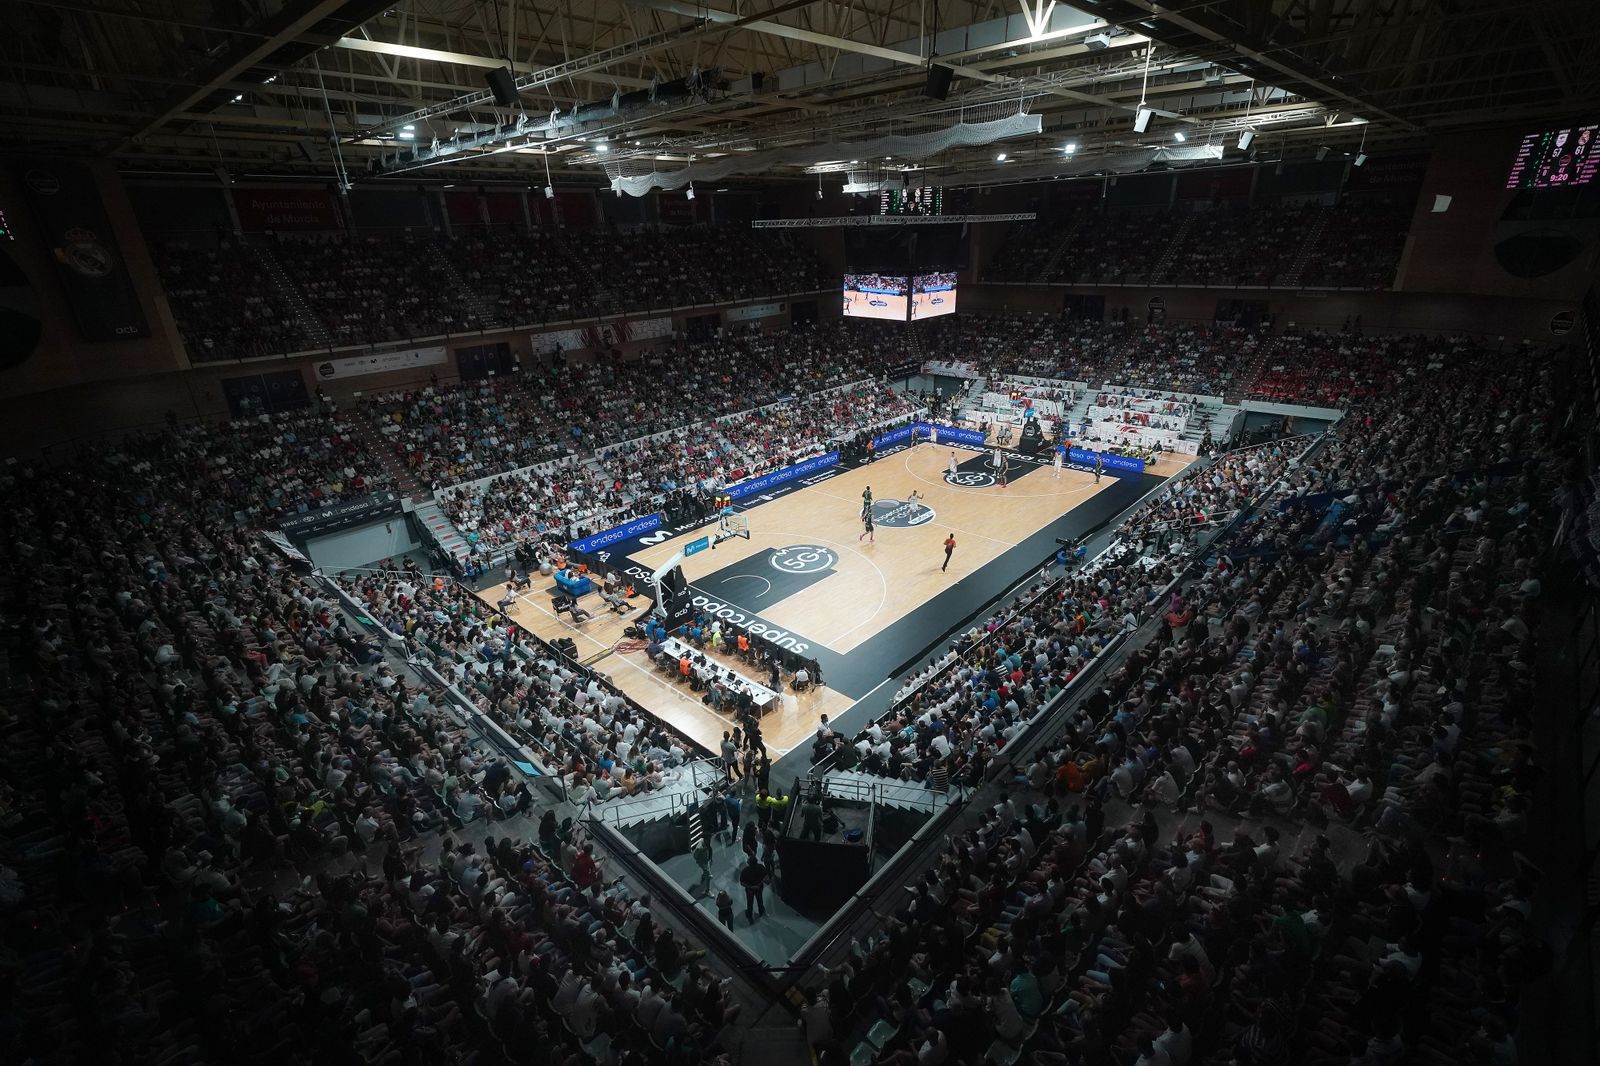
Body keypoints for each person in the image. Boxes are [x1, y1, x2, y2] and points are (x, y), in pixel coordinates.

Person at [740, 858, 768, 922]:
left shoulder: (745, 871)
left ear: (749, 863)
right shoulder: (761, 867)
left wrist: (751, 887)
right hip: (759, 888)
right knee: (760, 900)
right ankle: (761, 912)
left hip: (750, 890)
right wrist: (758, 885)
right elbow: (765, 877)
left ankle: (749, 914)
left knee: (750, 902)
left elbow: (742, 883)